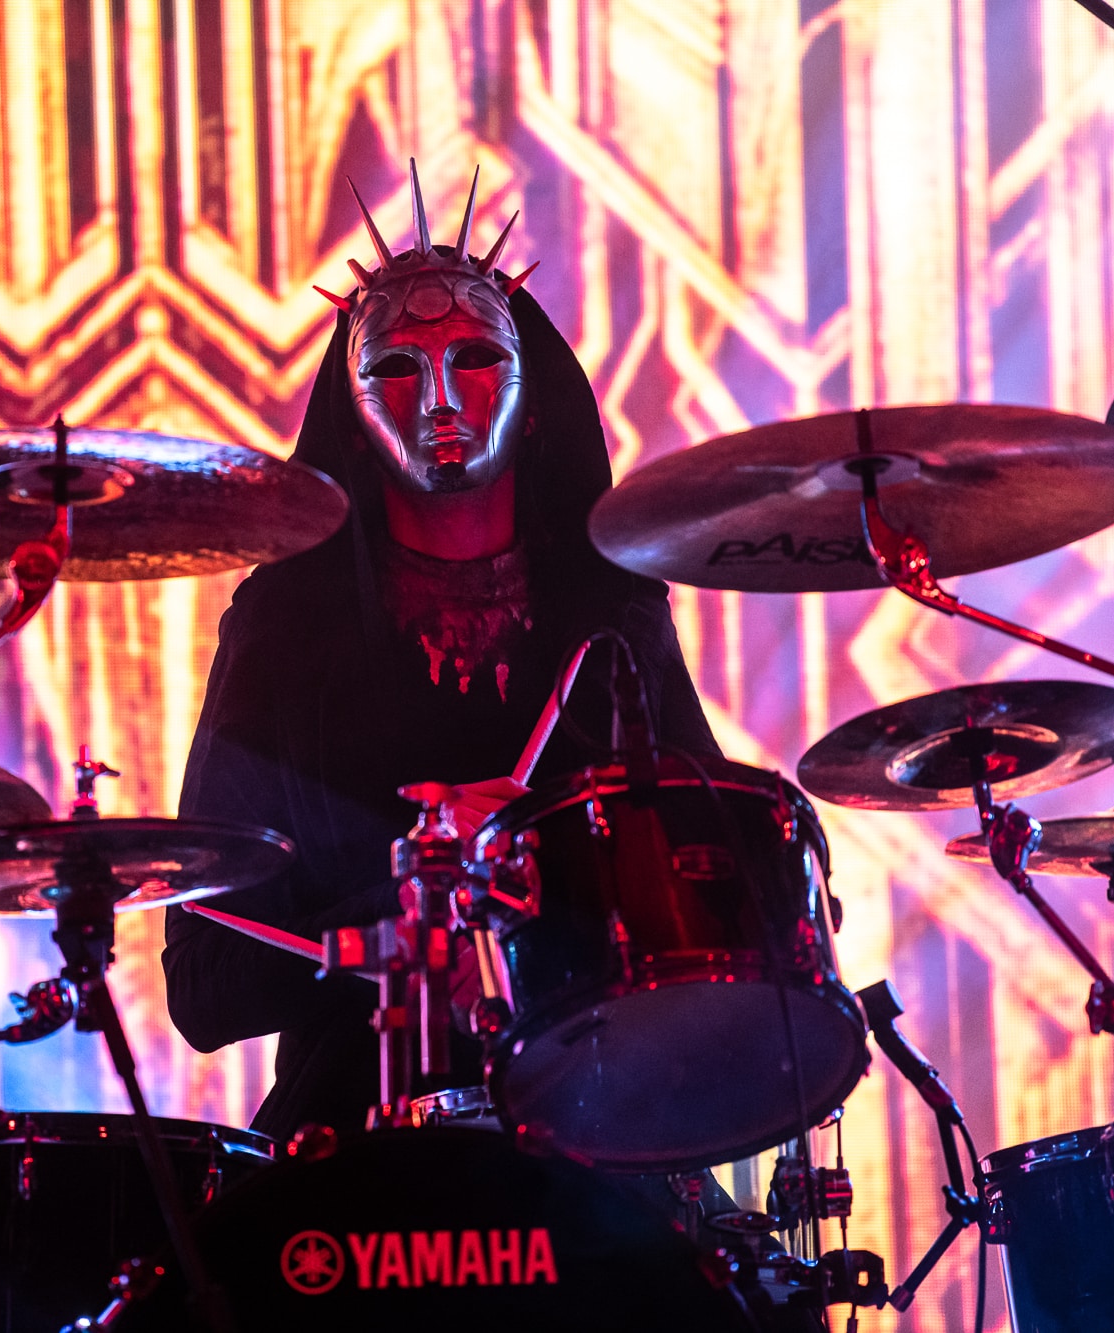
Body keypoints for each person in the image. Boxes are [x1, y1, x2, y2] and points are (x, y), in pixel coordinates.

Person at [162, 162, 719, 1143]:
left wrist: (546, 872)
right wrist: (410, 898)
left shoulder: (615, 617)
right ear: (348, 413)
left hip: (605, 1132)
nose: (440, 400)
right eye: (394, 368)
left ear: (535, 400)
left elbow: (720, 885)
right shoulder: (282, 629)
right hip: (355, 1144)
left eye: (474, 357)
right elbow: (204, 982)